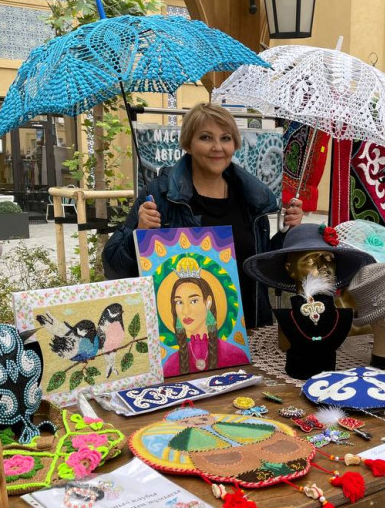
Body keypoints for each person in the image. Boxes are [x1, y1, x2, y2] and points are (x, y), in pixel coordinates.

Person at [102, 103, 303, 327]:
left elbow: (264, 269)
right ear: (188, 143)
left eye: (226, 138)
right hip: (184, 334)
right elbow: (114, 268)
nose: (217, 147)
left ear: (235, 144)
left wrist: (289, 233)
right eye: (206, 137)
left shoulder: (251, 199)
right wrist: (139, 235)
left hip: (249, 330)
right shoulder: (159, 196)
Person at [163, 261, 249, 376]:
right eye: (179, 302)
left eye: (193, 301)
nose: (185, 311)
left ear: (208, 302)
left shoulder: (236, 355)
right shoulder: (170, 365)